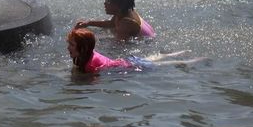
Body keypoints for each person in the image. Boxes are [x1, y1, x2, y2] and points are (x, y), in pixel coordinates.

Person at [67, 28, 201, 74]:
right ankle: (175, 53)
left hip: (131, 66)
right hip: (127, 60)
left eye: (71, 45)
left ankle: (188, 61)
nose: (68, 47)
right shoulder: (89, 53)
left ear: (83, 48)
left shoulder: (90, 65)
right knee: (154, 58)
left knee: (161, 65)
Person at [74, 0, 156, 40]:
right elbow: (110, 23)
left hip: (146, 43)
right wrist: (89, 23)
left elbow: (119, 48)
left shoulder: (125, 23)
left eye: (108, 1)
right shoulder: (125, 11)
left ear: (119, 6)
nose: (104, 3)